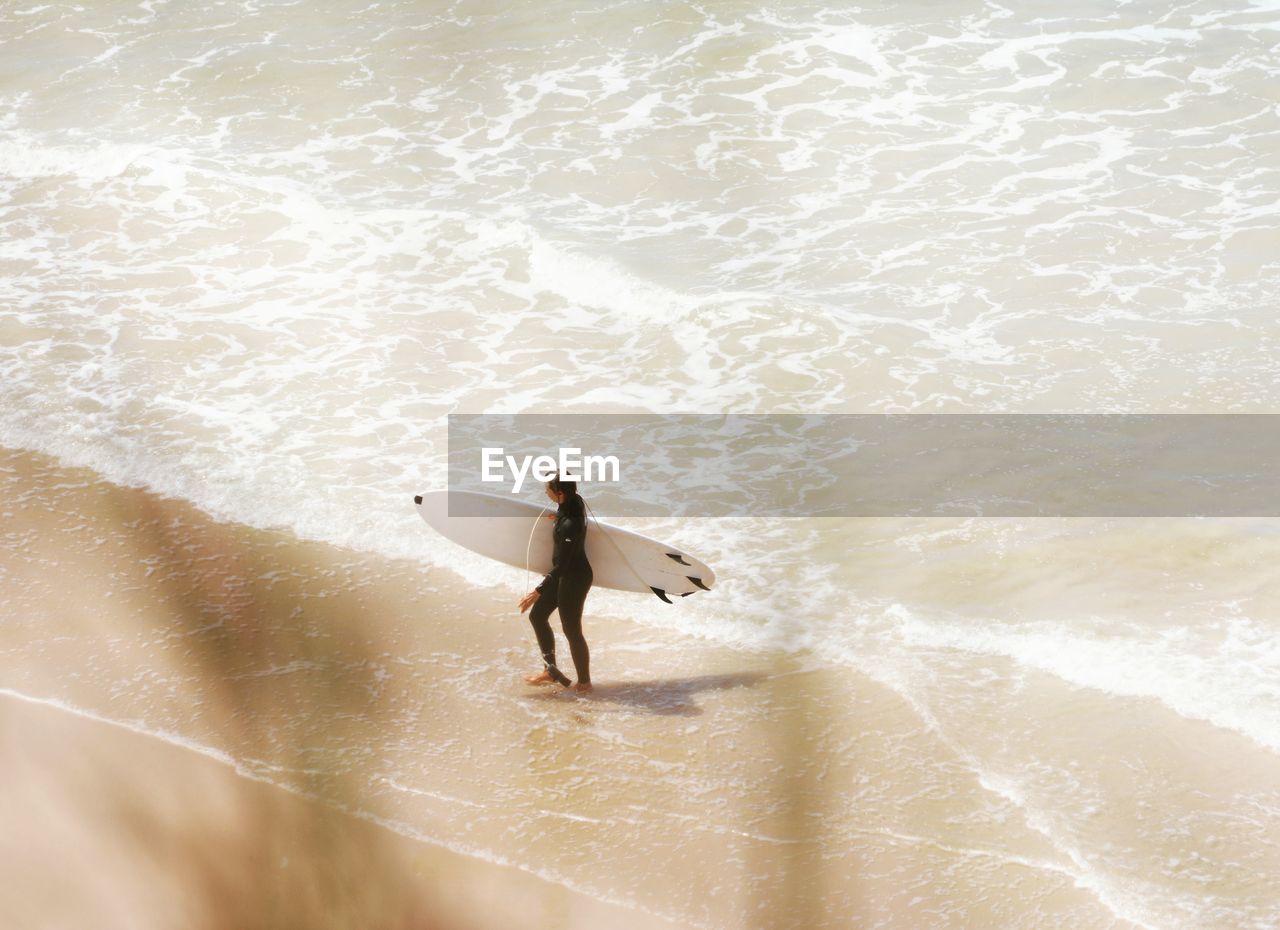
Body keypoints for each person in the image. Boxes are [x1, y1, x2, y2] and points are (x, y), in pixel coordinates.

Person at [517, 475, 593, 692]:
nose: (545, 493)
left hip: (575, 577)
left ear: (560, 494)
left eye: (548, 490)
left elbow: (563, 565)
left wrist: (537, 591)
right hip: (562, 575)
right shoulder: (572, 503)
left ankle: (585, 683)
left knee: (571, 630)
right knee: (537, 616)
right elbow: (565, 511)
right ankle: (550, 671)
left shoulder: (571, 523)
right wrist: (556, 517)